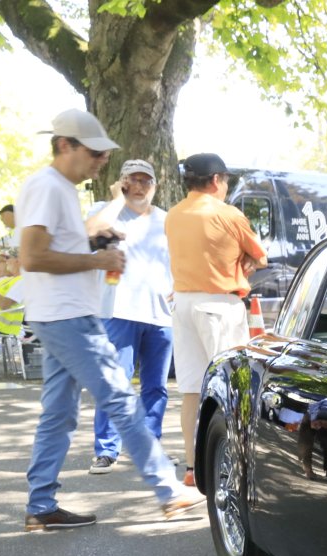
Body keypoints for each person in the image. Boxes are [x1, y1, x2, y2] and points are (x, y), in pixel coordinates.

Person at [17, 108, 199, 530]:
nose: (102, 160)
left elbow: (53, 247)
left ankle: (41, 506)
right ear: (66, 145)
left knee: (58, 415)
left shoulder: (58, 188)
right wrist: (96, 259)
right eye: (95, 152)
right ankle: (169, 491)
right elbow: (33, 256)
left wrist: (93, 244)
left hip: (57, 314)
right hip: (67, 317)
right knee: (120, 397)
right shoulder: (48, 186)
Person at [165, 151, 267, 486]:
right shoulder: (227, 214)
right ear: (214, 180)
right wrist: (246, 263)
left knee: (191, 389)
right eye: (225, 180)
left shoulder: (173, 215)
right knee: (232, 385)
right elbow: (260, 256)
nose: (225, 187)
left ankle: (192, 468)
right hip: (218, 304)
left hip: (182, 303)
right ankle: (237, 463)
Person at [85, 159, 173, 474]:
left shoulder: (166, 219)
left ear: (155, 186)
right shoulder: (106, 210)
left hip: (160, 314)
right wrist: (117, 199)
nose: (139, 186)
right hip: (118, 311)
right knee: (115, 383)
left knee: (156, 387)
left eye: (145, 181)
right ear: (122, 182)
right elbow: (88, 232)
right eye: (132, 180)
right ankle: (107, 450)